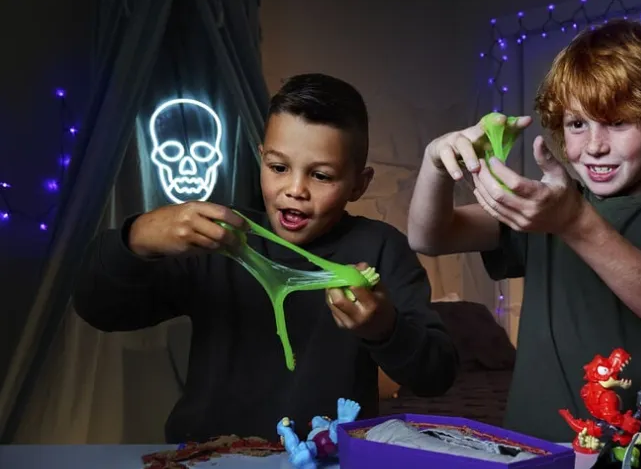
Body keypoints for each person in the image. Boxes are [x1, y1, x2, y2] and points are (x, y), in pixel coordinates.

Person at [73, 73, 458, 443]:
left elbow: (436, 374)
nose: (295, 190)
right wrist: (138, 236)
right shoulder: (219, 240)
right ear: (261, 158)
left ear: (359, 184)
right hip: (208, 461)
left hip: (328, 464)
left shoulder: (382, 249)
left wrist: (384, 328)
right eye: (278, 167)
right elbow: (98, 309)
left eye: (321, 176)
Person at [407, 21, 641, 444]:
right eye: (577, 124)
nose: (594, 146)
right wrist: (434, 163)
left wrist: (574, 222)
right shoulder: (546, 205)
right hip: (537, 444)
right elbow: (430, 238)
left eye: (618, 122)